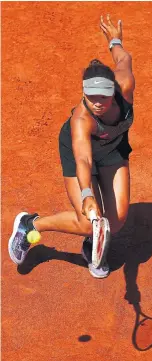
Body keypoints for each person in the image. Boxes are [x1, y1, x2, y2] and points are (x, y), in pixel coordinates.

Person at [8, 15, 135, 279]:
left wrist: (114, 40)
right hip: (80, 152)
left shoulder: (125, 87)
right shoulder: (81, 119)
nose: (97, 103)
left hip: (113, 150)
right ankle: (31, 224)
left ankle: (93, 244)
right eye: (91, 97)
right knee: (88, 220)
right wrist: (88, 193)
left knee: (117, 220)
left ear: (115, 90)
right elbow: (84, 160)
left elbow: (124, 60)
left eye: (103, 97)